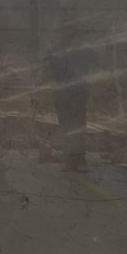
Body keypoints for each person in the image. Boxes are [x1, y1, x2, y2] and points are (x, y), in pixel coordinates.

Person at [45, 23, 96, 173]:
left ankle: (80, 160)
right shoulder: (55, 50)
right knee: (66, 126)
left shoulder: (83, 50)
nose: (67, 35)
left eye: (70, 32)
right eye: (65, 31)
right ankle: (69, 160)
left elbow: (95, 63)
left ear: (74, 33)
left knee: (78, 126)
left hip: (78, 92)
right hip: (62, 93)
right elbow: (50, 70)